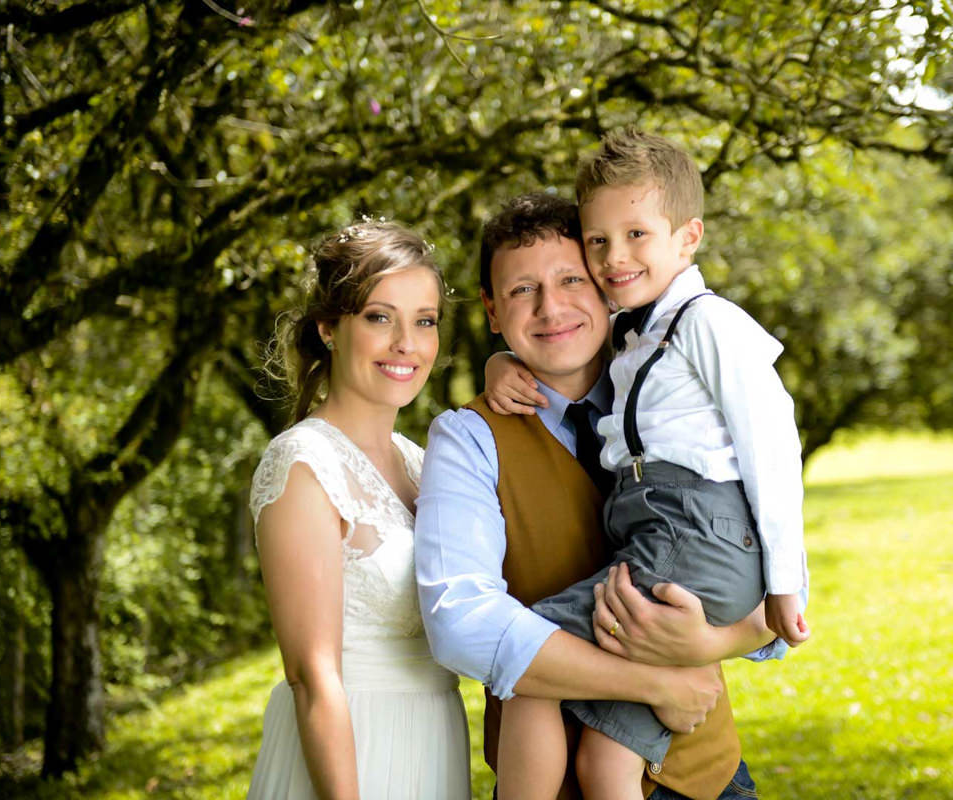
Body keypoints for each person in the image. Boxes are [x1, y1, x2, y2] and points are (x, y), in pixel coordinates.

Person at [415, 192, 781, 800]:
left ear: (609, 287)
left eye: (570, 280)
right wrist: (654, 684)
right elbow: (461, 624)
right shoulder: (469, 439)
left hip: (703, 772)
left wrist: (712, 643)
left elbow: (768, 575)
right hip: (552, 779)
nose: (551, 307)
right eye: (521, 291)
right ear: (491, 311)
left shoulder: (677, 393)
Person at [487, 129, 810, 799]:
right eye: (598, 242)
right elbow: (556, 329)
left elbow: (772, 442)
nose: (614, 258)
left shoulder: (705, 323)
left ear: (688, 237)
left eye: (637, 235)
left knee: (525, 656)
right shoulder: (640, 331)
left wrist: (786, 583)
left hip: (689, 535)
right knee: (607, 767)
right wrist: (501, 362)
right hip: (668, 534)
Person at [247, 220, 470, 800]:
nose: (407, 343)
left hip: (435, 741)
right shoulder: (303, 463)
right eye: (379, 317)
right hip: (352, 757)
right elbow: (310, 677)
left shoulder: (423, 463)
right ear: (329, 327)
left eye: (424, 321)